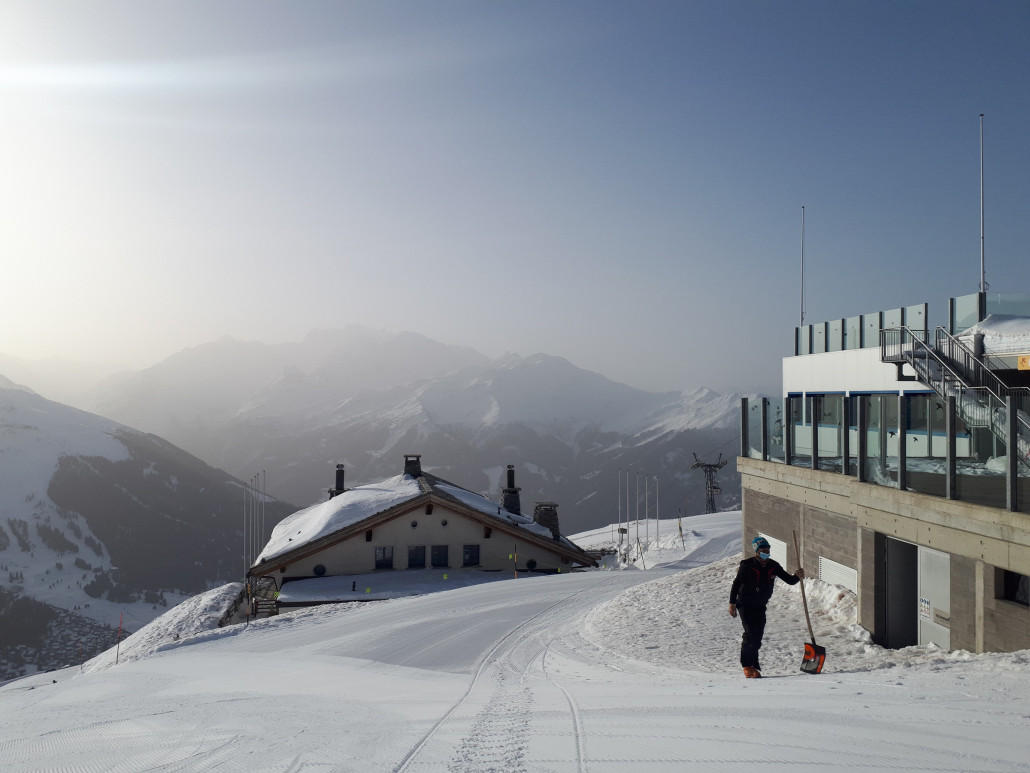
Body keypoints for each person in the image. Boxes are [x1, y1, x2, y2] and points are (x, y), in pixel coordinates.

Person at [728, 536, 805, 678]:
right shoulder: (747, 565)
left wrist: (797, 575)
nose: (766, 552)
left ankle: (753, 665)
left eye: (768, 550)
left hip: (760, 606)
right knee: (751, 634)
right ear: (757, 551)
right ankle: (747, 666)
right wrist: (732, 603)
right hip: (745, 604)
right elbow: (737, 583)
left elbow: (789, 580)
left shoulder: (773, 566)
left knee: (757, 637)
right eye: (763, 550)